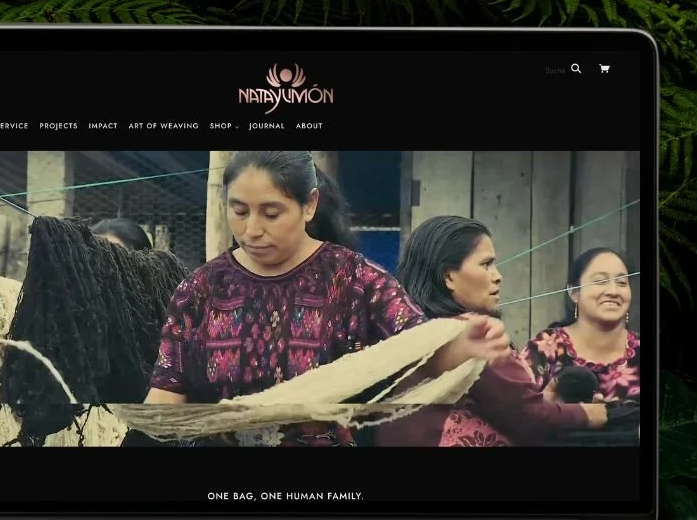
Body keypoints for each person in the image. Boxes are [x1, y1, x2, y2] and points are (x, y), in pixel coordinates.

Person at [143, 151, 513, 446]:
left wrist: (461, 346)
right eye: (239, 211)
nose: (251, 229)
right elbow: (166, 395)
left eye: (271, 213)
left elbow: (417, 347)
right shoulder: (201, 289)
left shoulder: (354, 281)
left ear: (309, 205)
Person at [384, 215, 607, 447]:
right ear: (449, 277)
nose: (498, 276)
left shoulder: (419, 334)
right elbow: (529, 420)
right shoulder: (471, 335)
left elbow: (508, 411)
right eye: (486, 264)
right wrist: (590, 414)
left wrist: (545, 406)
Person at [523, 247, 640, 402]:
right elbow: (516, 408)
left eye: (622, 282)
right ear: (573, 292)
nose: (613, 291)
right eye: (600, 281)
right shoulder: (545, 348)